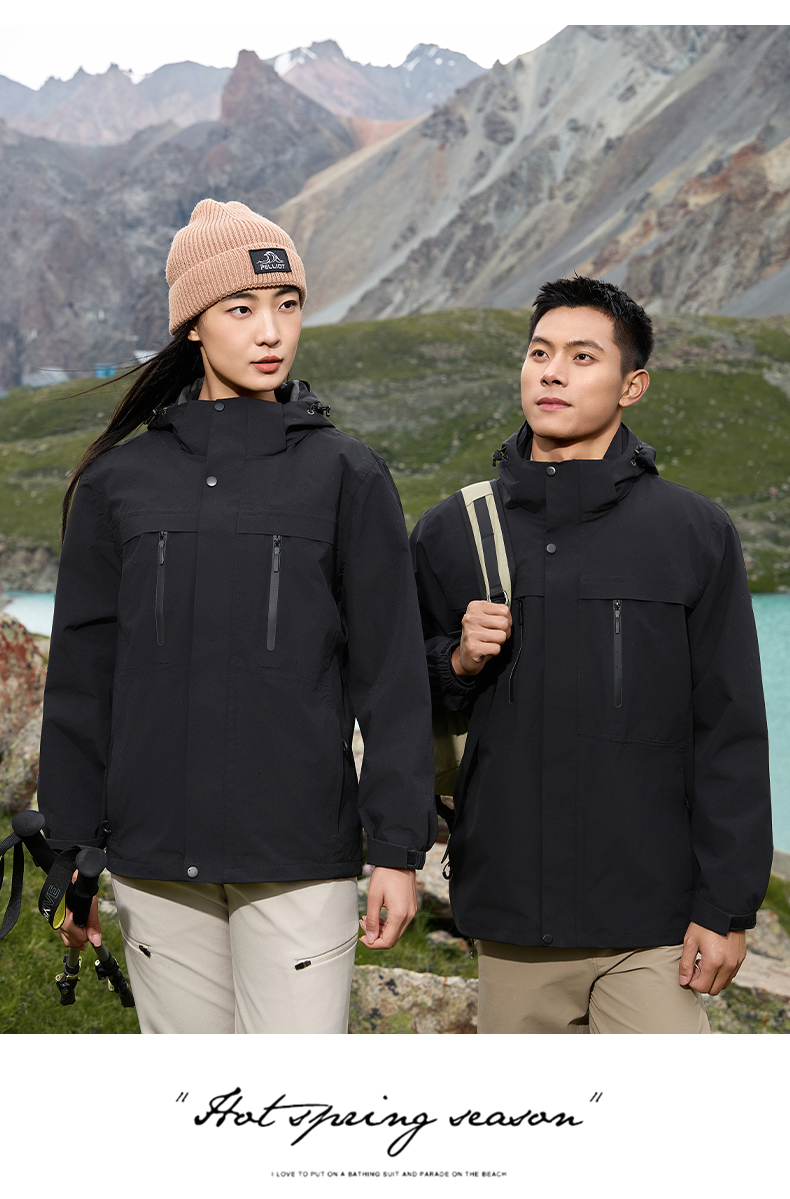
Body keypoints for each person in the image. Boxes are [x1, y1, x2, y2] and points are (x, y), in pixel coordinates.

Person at [37, 199, 436, 1034]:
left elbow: (393, 680)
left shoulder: (348, 475)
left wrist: (399, 850)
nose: (271, 331)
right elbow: (82, 684)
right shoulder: (117, 485)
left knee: (290, 1102)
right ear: (193, 324)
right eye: (242, 308)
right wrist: (72, 853)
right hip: (154, 858)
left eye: (288, 305)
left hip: (299, 858)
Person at [411, 276, 773, 1034]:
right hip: (511, 915)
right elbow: (396, 700)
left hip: (654, 921)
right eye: (539, 352)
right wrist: (457, 662)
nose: (552, 373)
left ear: (632, 385)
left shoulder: (695, 534)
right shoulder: (452, 532)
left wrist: (727, 906)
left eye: (582, 357)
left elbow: (730, 730)